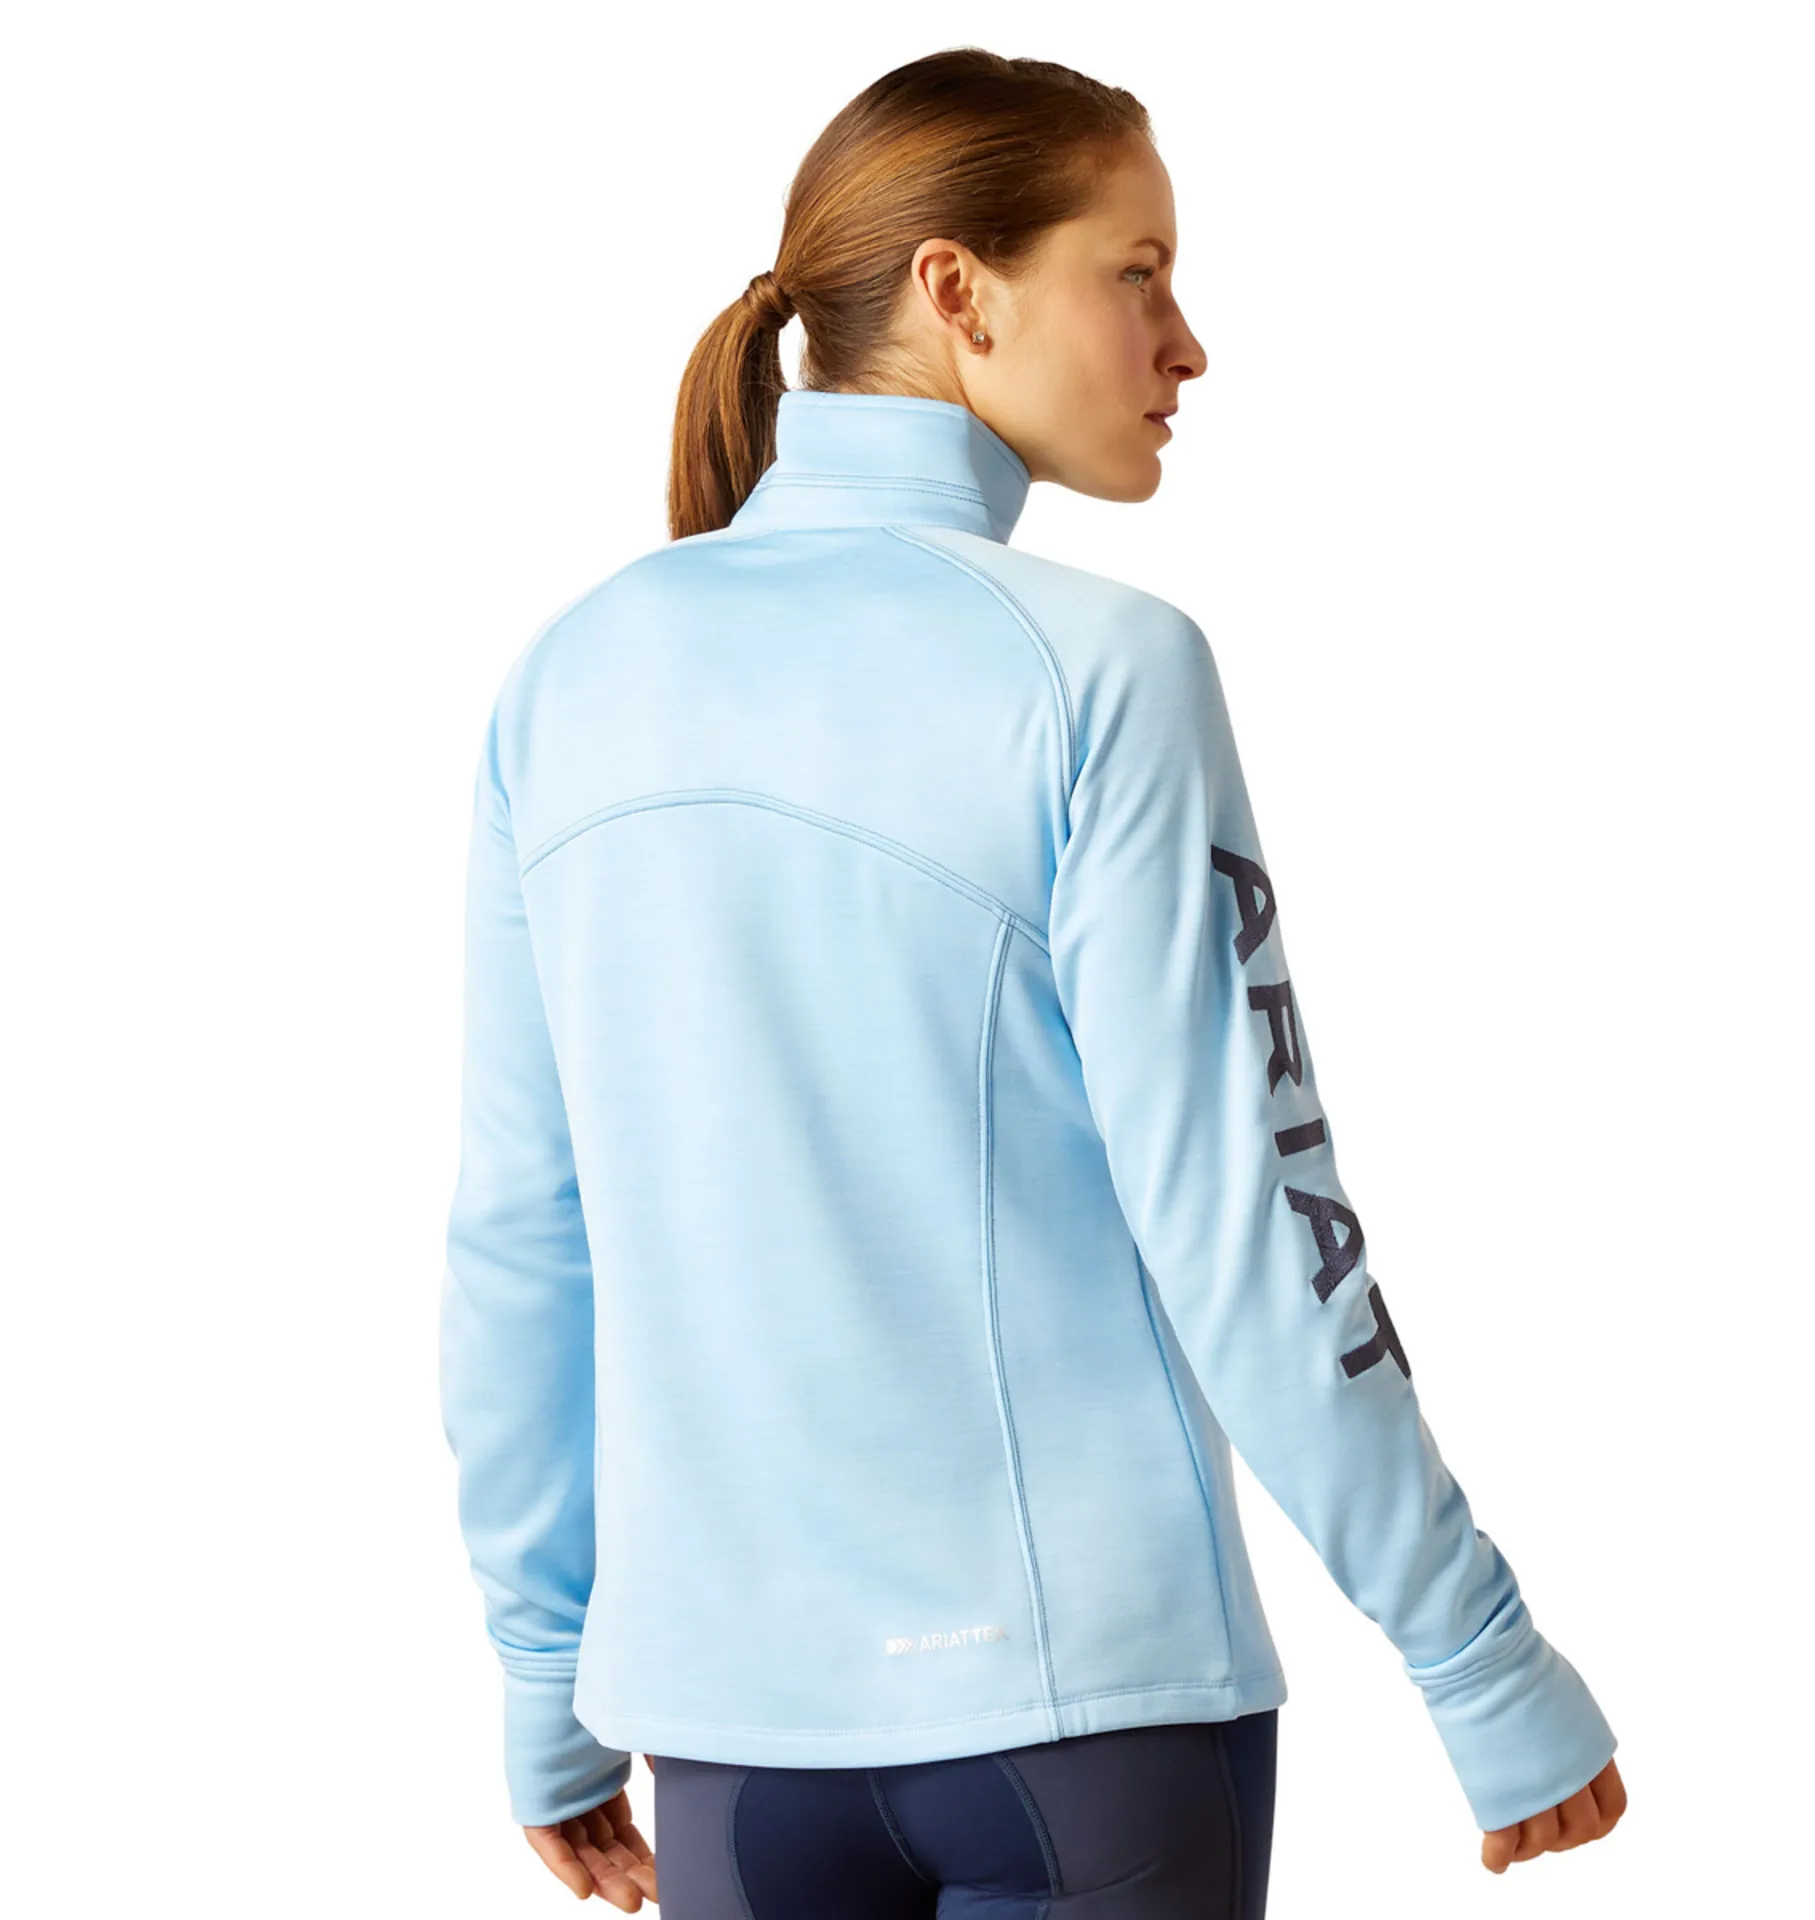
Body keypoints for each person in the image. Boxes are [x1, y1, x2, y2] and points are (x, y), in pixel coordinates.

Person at [438, 46, 1626, 1917]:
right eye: (1135, 272)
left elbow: (523, 1232)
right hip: (1089, 1722)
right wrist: (1478, 1658)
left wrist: (543, 1679)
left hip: (728, 1751)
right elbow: (1253, 1229)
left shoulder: (573, 675)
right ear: (957, 290)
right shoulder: (1099, 667)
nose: (1186, 344)